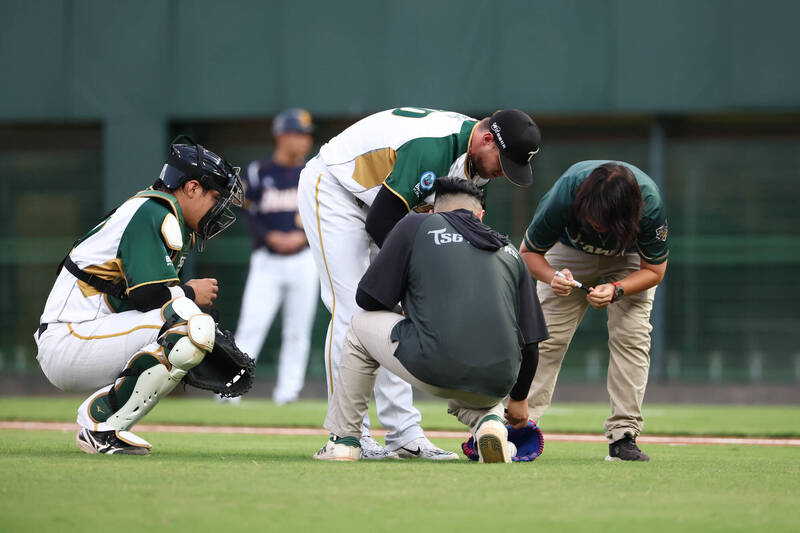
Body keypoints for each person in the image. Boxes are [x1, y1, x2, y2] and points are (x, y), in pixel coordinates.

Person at [297, 107, 541, 460]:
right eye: (503, 162)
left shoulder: (477, 163)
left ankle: (404, 435)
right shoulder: (433, 147)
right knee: (353, 310)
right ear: (487, 138)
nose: (504, 172)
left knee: (399, 317)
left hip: (386, 209)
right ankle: (350, 434)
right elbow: (382, 221)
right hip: (337, 189)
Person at [34, 136, 244, 455]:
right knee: (190, 324)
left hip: (86, 335)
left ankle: (107, 428)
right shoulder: (151, 211)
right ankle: (100, 423)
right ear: (192, 188)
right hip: (69, 339)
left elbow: (145, 302)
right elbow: (148, 297)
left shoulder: (162, 214)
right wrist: (190, 293)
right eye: (215, 196)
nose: (217, 207)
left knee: (191, 323)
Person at [519, 160, 669, 461]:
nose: (597, 227)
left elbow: (654, 270)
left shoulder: (649, 204)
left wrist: (617, 289)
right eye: (592, 218)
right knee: (545, 339)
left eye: (604, 221)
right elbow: (528, 253)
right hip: (568, 254)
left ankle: (624, 435)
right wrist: (552, 277)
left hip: (628, 258)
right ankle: (519, 426)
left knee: (632, 337)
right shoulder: (564, 194)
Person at [232, 109, 319, 405]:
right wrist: (269, 236)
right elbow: (246, 210)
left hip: (304, 260)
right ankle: (231, 391)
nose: (305, 140)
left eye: (307, 135)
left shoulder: (313, 172)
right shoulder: (259, 171)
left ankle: (288, 393)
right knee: (251, 326)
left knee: (298, 331)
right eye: (299, 134)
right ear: (281, 136)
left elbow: (323, 214)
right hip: (266, 260)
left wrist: (303, 236)